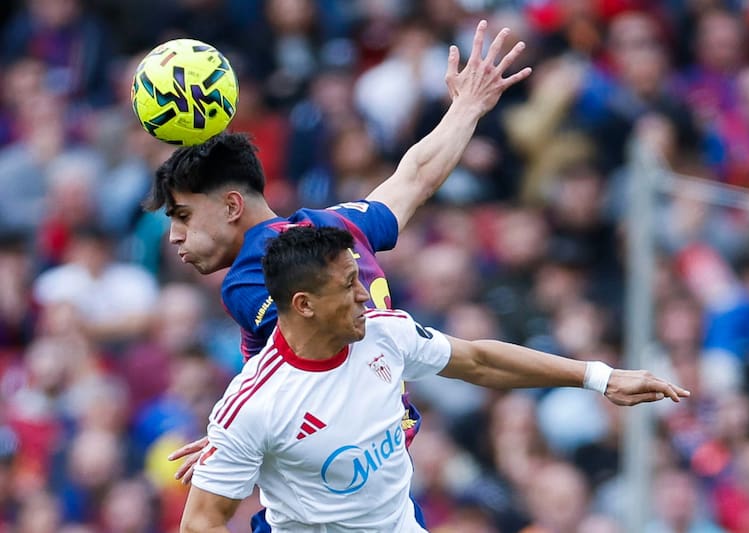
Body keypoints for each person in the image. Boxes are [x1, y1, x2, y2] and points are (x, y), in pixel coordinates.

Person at [144, 19, 532, 530]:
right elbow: (413, 176)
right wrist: (466, 108)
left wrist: (233, 432)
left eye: (184, 218)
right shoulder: (335, 224)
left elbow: (317, 356)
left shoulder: (248, 279)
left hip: (338, 492)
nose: (175, 238)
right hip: (371, 477)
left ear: (232, 205)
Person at [179, 226, 690, 532]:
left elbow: (478, 361)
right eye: (348, 285)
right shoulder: (254, 406)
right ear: (304, 305)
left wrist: (599, 377)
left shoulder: (385, 334)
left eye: (359, 277)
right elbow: (202, 519)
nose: (366, 295)